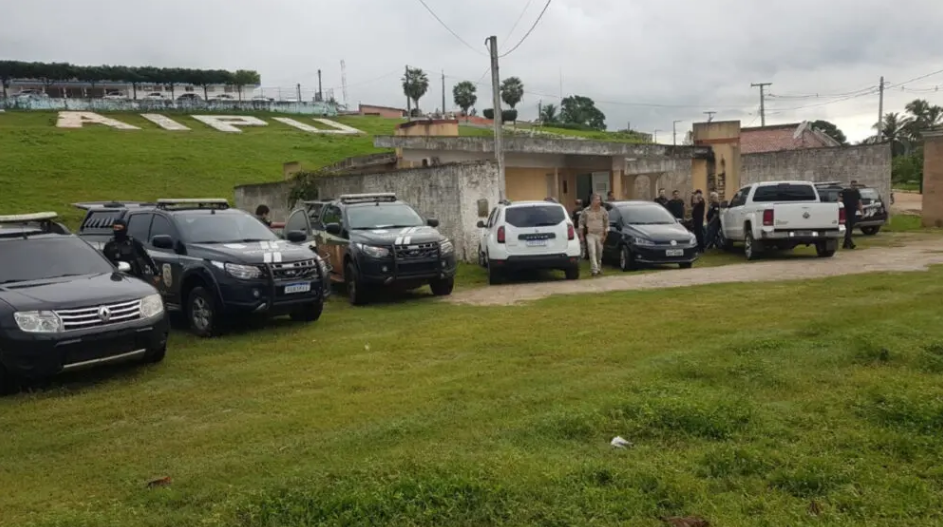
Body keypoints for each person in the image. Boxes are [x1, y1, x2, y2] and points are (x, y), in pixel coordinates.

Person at [103, 218, 159, 285]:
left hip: (134, 275)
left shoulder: (133, 243)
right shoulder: (109, 245)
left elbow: (146, 256)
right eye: (115, 228)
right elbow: (103, 262)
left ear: (125, 229)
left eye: (119, 228)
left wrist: (156, 273)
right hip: (116, 277)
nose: (117, 230)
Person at [578, 193, 609, 277]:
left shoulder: (603, 211)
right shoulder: (585, 211)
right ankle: (594, 270)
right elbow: (581, 224)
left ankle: (598, 268)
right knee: (592, 251)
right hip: (590, 234)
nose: (599, 201)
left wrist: (605, 235)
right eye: (597, 200)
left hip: (600, 234)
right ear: (592, 200)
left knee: (599, 253)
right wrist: (581, 236)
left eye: (599, 200)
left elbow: (607, 224)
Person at [842, 180, 864, 249]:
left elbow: (859, 203)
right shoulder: (845, 191)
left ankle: (845, 244)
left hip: (852, 212)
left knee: (850, 228)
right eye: (853, 185)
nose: (854, 186)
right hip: (845, 212)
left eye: (855, 185)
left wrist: (862, 212)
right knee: (848, 228)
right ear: (850, 185)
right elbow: (839, 199)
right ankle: (851, 244)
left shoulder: (856, 193)